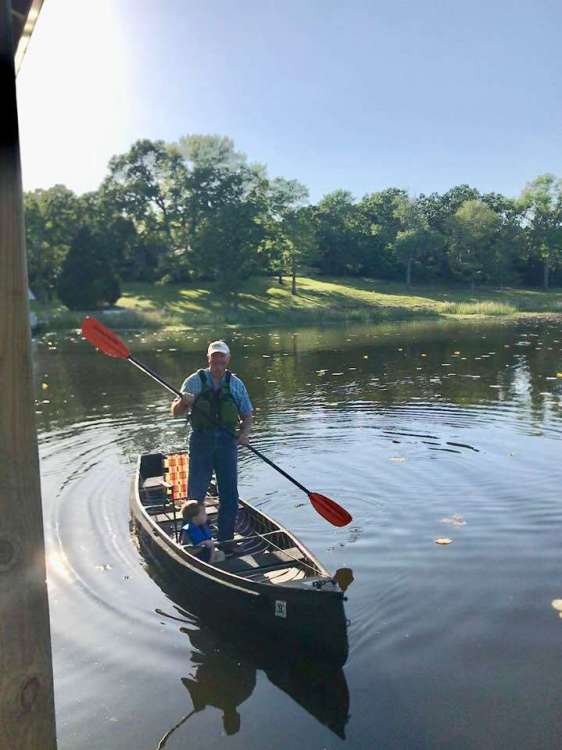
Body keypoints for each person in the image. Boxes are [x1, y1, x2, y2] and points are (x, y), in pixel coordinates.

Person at [171, 340, 253, 551]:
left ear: (227, 359)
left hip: (227, 442)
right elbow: (174, 412)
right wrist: (182, 402)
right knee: (196, 494)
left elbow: (247, 414)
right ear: (208, 358)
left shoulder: (236, 384)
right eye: (214, 357)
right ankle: (195, 540)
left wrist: (244, 434)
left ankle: (226, 541)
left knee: (229, 493)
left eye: (221, 357)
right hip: (201, 440)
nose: (218, 361)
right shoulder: (193, 381)